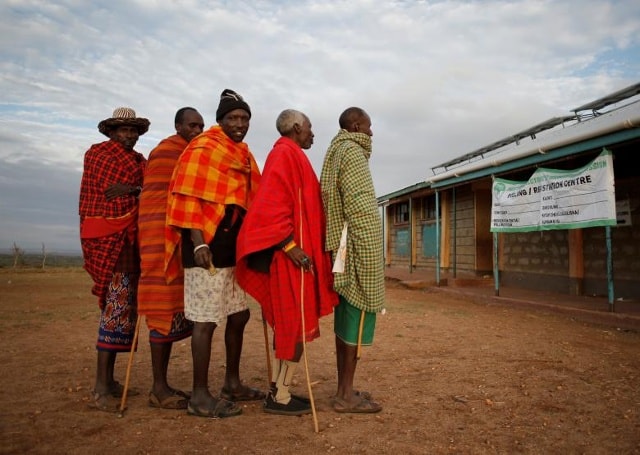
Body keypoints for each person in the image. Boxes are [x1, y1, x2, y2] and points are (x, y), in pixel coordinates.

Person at [165, 89, 264, 419]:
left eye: (245, 118)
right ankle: (199, 396)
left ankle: (232, 383)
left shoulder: (245, 155)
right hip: (204, 245)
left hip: (233, 245)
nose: (240, 124)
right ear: (220, 121)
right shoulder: (202, 148)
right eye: (233, 118)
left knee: (239, 315)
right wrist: (198, 243)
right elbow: (187, 196)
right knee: (205, 321)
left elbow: (254, 198)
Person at [236, 109, 338, 416]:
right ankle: (279, 396)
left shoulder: (293, 154)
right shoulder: (283, 155)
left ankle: (279, 390)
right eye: (309, 128)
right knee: (294, 326)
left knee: (294, 325)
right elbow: (271, 207)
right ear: (295, 128)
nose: (312, 133)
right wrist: (290, 245)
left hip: (300, 257)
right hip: (289, 259)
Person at [79, 107, 149, 412]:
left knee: (124, 312)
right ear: (111, 131)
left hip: (130, 241)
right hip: (110, 237)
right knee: (113, 310)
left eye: (133, 130)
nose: (129, 135)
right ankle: (100, 386)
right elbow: (110, 194)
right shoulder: (99, 155)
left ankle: (109, 381)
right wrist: (138, 191)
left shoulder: (139, 161)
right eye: (123, 130)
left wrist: (135, 189)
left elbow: (145, 189)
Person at [137, 107, 205, 410]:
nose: (197, 130)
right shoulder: (166, 152)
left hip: (184, 242)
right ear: (178, 125)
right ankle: (158, 387)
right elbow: (161, 197)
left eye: (201, 126)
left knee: (182, 310)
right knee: (161, 310)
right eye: (192, 125)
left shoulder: (195, 153)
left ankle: (162, 385)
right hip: (160, 237)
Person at [320, 107, 385, 414]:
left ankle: (344, 389)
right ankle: (345, 396)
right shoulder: (353, 153)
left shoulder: (336, 150)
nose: (371, 133)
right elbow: (360, 210)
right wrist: (370, 253)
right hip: (356, 247)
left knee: (346, 319)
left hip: (342, 247)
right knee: (358, 317)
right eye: (369, 127)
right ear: (357, 125)